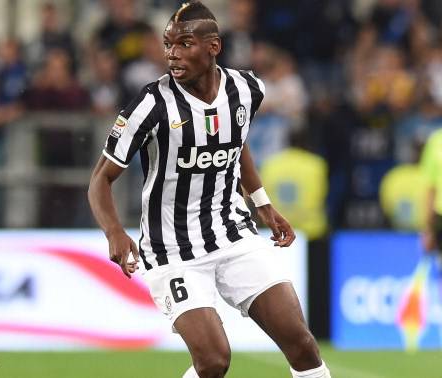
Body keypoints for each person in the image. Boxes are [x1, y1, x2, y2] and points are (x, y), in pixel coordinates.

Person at [87, 2, 331, 377]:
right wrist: (115, 232)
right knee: (214, 361)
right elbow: (101, 179)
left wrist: (262, 205)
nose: (173, 54)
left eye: (184, 44)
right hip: (173, 251)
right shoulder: (151, 103)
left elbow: (237, 143)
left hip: (232, 235)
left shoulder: (248, 89)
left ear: (213, 47)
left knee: (301, 344)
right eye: (168, 45)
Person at [421, 128, 442, 257]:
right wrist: (429, 229)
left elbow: (430, 188)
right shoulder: (435, 141)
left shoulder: (436, 140)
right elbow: (430, 188)